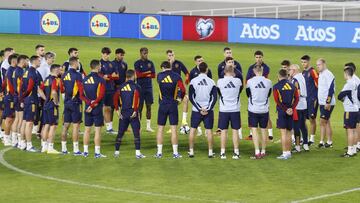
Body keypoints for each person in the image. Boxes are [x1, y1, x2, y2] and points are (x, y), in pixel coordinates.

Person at [154, 61, 186, 158]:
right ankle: (175, 153)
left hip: (162, 104)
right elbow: (183, 90)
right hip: (173, 104)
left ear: (163, 67)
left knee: (160, 129)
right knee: (174, 129)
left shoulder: (159, 76)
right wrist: (179, 99)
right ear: (170, 67)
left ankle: (159, 153)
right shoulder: (177, 76)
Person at [113, 70, 145, 158]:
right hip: (133, 113)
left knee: (120, 133)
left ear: (126, 77)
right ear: (133, 76)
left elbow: (115, 98)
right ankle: (138, 153)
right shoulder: (137, 86)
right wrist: (136, 111)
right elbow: (138, 99)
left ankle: (116, 152)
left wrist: (117, 110)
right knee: (136, 133)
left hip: (123, 113)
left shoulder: (120, 87)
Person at [188, 62, 217, 158]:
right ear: (207, 69)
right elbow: (214, 98)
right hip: (208, 111)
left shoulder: (193, 81)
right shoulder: (211, 82)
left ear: (198, 69)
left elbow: (191, 97)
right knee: (209, 130)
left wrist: (199, 108)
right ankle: (210, 152)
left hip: (196, 110)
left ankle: (191, 151)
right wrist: (207, 108)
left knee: (193, 129)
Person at [60, 57, 86, 155]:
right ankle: (76, 150)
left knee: (66, 126)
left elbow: (62, 89)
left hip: (67, 102)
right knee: (76, 126)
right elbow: (81, 89)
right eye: (78, 62)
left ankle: (64, 149)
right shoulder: (78, 75)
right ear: (75, 63)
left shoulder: (64, 75)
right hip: (76, 103)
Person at [245, 50, 273, 140]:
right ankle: (251, 134)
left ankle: (270, 133)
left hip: (262, 93)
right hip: (254, 93)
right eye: (257, 57)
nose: (258, 59)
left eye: (260, 57)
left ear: (262, 57)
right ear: (254, 58)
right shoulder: (251, 67)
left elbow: (263, 80)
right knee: (252, 114)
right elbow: (247, 80)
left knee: (266, 114)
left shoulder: (266, 68)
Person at [246, 65, 272, 159]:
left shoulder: (250, 82)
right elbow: (269, 94)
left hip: (253, 109)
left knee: (254, 130)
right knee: (264, 129)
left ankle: (257, 152)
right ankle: (263, 151)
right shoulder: (268, 82)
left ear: (253, 71)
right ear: (262, 70)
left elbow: (248, 94)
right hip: (264, 109)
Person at [81, 60, 106, 158]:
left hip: (87, 108)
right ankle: (97, 153)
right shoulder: (101, 80)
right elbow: (100, 96)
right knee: (97, 131)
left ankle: (86, 152)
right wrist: (93, 105)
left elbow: (81, 95)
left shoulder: (84, 79)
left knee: (87, 130)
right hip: (96, 108)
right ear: (98, 67)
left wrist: (89, 104)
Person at [217, 65, 242, 159]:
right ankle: (236, 152)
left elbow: (219, 92)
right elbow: (239, 91)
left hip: (224, 109)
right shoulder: (238, 81)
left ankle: (222, 153)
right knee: (235, 131)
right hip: (235, 109)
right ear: (233, 72)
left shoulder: (219, 81)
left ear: (224, 71)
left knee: (223, 131)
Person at [273, 69, 299, 160]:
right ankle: (288, 153)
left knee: (283, 134)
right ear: (287, 76)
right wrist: (292, 108)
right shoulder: (292, 86)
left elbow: (277, 100)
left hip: (282, 112)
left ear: (278, 76)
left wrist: (285, 109)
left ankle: (284, 153)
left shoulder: (276, 86)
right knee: (288, 133)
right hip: (291, 112)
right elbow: (297, 98)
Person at [21, 55, 45, 152]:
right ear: (34, 61)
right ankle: (29, 145)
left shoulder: (27, 71)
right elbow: (33, 88)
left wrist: (22, 98)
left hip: (27, 100)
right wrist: (45, 98)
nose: (40, 62)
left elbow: (23, 86)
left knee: (25, 121)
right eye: (39, 61)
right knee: (30, 123)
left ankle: (22, 143)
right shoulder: (33, 72)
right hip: (31, 100)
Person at [40, 64, 64, 154]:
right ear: (56, 70)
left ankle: (44, 147)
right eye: (60, 70)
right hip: (52, 106)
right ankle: (50, 148)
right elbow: (54, 92)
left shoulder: (46, 79)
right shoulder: (55, 80)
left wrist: (45, 98)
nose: (61, 72)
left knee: (46, 125)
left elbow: (39, 89)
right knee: (53, 126)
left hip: (46, 105)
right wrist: (56, 102)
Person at [166, 50, 190, 132]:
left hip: (179, 86)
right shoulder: (165, 65)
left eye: (172, 55)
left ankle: (184, 121)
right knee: (172, 106)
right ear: (167, 56)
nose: (171, 56)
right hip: (170, 88)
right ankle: (171, 126)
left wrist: (186, 81)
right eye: (169, 55)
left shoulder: (179, 63)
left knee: (186, 100)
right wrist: (171, 65)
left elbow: (187, 73)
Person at [338, 66, 358, 157]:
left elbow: (339, 96)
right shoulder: (354, 82)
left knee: (350, 130)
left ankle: (349, 152)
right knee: (354, 130)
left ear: (346, 74)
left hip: (349, 110)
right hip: (355, 109)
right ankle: (353, 150)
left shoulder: (348, 84)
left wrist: (343, 98)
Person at [189, 55, 212, 136]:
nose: (201, 62)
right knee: (197, 115)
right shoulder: (192, 72)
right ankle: (199, 129)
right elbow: (190, 85)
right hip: (197, 96)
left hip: (206, 96)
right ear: (195, 62)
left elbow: (210, 82)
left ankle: (206, 130)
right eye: (199, 61)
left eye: (202, 60)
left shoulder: (208, 71)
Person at [134, 47, 156, 132]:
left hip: (149, 88)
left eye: (147, 53)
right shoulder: (137, 63)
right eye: (144, 53)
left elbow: (153, 75)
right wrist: (147, 73)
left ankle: (148, 126)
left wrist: (144, 74)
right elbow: (138, 75)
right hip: (140, 88)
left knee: (149, 106)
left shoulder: (150, 63)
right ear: (140, 53)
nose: (146, 55)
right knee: (139, 107)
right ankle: (138, 126)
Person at [289, 64, 309, 152]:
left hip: (297, 105)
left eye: (290, 69)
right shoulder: (302, 77)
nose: (289, 71)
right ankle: (305, 144)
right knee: (303, 125)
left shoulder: (295, 79)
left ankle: (297, 147)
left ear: (294, 70)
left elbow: (297, 92)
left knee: (296, 126)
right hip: (304, 104)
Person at [317, 58, 335, 148]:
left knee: (322, 121)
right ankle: (329, 142)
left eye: (319, 65)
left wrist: (328, 102)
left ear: (324, 64)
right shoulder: (321, 74)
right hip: (322, 102)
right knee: (326, 122)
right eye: (317, 65)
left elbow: (331, 89)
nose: (318, 67)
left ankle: (321, 142)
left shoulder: (328, 74)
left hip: (327, 103)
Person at [100, 47, 119, 134]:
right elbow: (101, 77)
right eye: (106, 54)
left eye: (108, 54)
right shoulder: (99, 64)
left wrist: (108, 76)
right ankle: (106, 127)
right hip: (103, 89)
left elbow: (117, 76)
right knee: (104, 108)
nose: (107, 56)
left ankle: (108, 128)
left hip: (111, 88)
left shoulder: (112, 64)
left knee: (110, 108)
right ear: (102, 54)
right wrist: (110, 76)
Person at [301, 55, 318, 145]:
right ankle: (305, 137)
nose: (303, 64)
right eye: (302, 62)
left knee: (312, 118)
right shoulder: (303, 72)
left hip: (312, 99)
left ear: (309, 62)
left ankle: (312, 139)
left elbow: (319, 84)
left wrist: (316, 98)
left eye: (305, 62)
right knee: (303, 119)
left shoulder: (313, 71)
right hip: (305, 100)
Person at [2, 54, 18, 146]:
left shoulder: (11, 70)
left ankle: (10, 137)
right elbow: (11, 86)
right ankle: (6, 139)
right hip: (11, 98)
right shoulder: (11, 71)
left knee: (13, 118)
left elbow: (4, 83)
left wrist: (2, 91)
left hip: (10, 96)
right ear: (13, 61)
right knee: (9, 119)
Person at [13, 55, 28, 150]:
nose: (28, 63)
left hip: (15, 96)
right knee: (21, 120)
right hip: (19, 97)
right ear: (22, 61)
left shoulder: (15, 71)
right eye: (27, 61)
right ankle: (20, 142)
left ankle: (16, 141)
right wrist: (22, 99)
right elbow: (20, 87)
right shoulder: (20, 72)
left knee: (17, 119)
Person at [344, 62, 360, 152]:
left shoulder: (355, 81)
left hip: (355, 107)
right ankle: (353, 145)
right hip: (356, 106)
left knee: (355, 127)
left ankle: (356, 145)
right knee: (353, 127)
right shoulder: (352, 80)